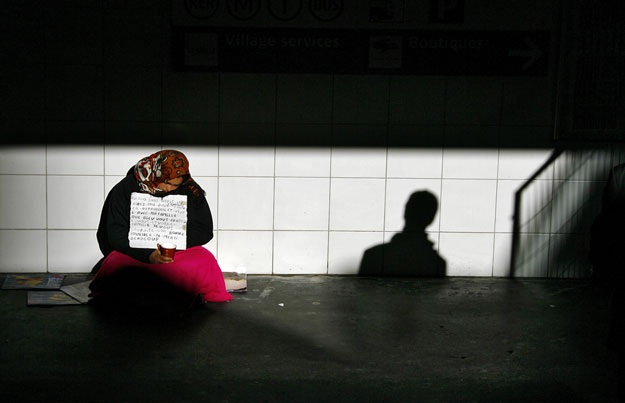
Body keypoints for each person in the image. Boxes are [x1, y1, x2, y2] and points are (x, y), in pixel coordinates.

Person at [89, 149, 232, 306]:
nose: (171, 189)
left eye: (176, 185)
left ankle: (186, 295)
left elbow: (204, 230)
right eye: (168, 183)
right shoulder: (125, 188)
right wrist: (148, 254)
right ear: (157, 174)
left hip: (175, 250)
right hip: (134, 251)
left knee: (205, 260)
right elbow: (115, 234)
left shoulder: (190, 189)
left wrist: (172, 241)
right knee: (115, 264)